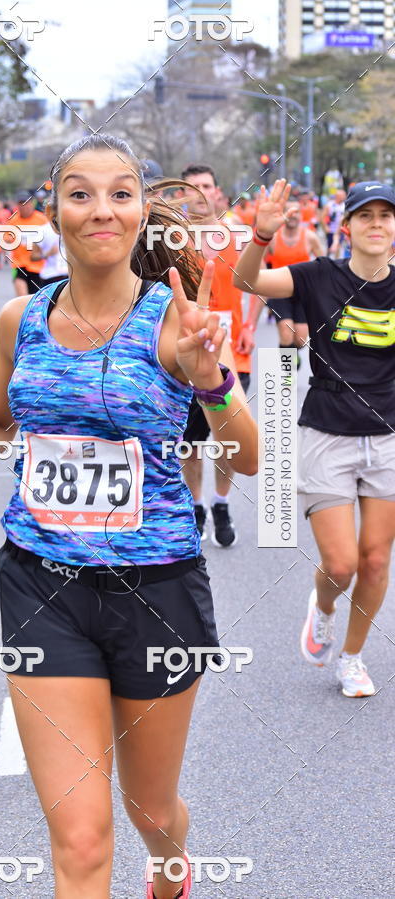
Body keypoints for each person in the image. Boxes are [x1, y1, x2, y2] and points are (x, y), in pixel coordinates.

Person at [0, 134, 258, 898]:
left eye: (120, 192)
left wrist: (212, 382)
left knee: (149, 808)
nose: (100, 208)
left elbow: (248, 459)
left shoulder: (176, 324)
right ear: (56, 210)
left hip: (157, 590)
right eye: (80, 193)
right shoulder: (21, 320)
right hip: (44, 585)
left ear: (143, 210)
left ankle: (172, 867)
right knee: (79, 837)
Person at [234, 178, 395, 698]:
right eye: (364, 216)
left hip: (388, 437)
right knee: (342, 562)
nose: (376, 224)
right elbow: (245, 282)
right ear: (345, 227)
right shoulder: (317, 276)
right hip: (327, 431)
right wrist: (260, 235)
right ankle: (323, 607)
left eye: (385, 216)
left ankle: (352, 657)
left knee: (375, 559)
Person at [180, 164, 257, 546]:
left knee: (227, 438)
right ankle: (195, 506)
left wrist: (251, 326)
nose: (198, 192)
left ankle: (221, 503)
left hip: (233, 353)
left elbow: (256, 283)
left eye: (205, 186)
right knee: (189, 443)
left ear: (217, 191)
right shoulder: (170, 241)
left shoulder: (238, 234)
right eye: (190, 187)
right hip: (188, 358)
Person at [249, 199, 324, 367]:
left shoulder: (310, 237)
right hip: (278, 291)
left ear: (301, 215)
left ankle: (292, 354)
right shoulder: (274, 238)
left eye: (296, 212)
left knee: (300, 339)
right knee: (286, 332)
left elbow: (323, 264)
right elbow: (258, 259)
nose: (293, 215)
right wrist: (263, 280)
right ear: (283, 215)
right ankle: (286, 373)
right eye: (289, 212)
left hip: (303, 293)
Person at [7, 190, 48, 296]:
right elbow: (5, 238)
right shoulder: (13, 221)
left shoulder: (42, 220)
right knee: (23, 300)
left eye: (26, 203)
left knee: (36, 301)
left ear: (31, 203)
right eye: (21, 203)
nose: (24, 206)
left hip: (38, 266)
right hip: (19, 265)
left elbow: (50, 239)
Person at [29, 219, 68, 286]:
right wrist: (48, 253)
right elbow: (33, 256)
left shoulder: (72, 228)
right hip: (51, 276)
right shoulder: (42, 230)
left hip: (71, 275)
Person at [323, 188, 346, 258]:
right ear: (337, 196)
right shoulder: (330, 205)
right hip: (331, 229)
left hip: (340, 230)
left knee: (338, 246)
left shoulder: (345, 205)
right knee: (329, 246)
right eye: (341, 196)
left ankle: (337, 261)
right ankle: (327, 258)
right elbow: (322, 217)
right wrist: (325, 227)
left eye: (343, 196)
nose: (343, 197)